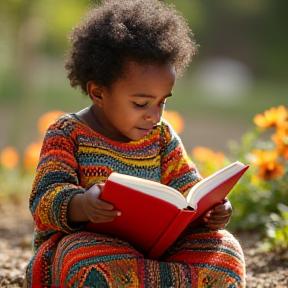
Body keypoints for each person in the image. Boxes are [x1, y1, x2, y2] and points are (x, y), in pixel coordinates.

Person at [26, 0, 245, 287]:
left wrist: (213, 209)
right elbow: (44, 199)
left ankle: (146, 280)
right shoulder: (67, 133)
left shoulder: (162, 136)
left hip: (157, 251)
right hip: (92, 247)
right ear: (98, 92)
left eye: (162, 102)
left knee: (226, 251)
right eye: (141, 103)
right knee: (84, 261)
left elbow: (188, 191)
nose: (154, 115)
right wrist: (82, 205)